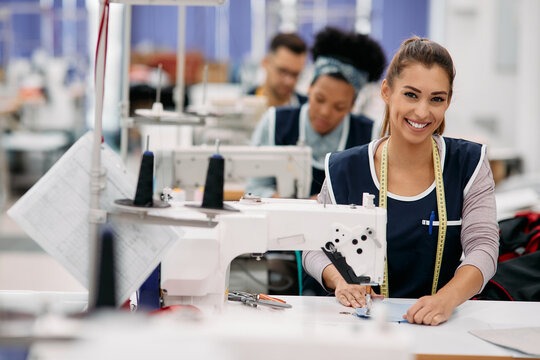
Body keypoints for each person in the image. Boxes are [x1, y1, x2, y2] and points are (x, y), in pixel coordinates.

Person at [303, 36, 500, 325]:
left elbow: (484, 247)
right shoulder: (344, 169)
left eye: (436, 99)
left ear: (447, 101)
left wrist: (446, 300)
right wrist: (341, 281)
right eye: (411, 94)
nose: (422, 111)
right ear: (386, 91)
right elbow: (314, 245)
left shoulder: (469, 164)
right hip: (358, 325)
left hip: (442, 324)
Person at [247, 27, 386, 198]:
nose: (325, 112)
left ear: (352, 105)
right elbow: (254, 187)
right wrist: (302, 207)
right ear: (309, 88)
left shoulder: (370, 136)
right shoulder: (275, 123)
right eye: (319, 99)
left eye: (339, 107)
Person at [248, 32, 308, 108]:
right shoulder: (240, 108)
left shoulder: (308, 110)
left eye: (295, 74)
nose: (289, 81)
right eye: (283, 71)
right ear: (265, 62)